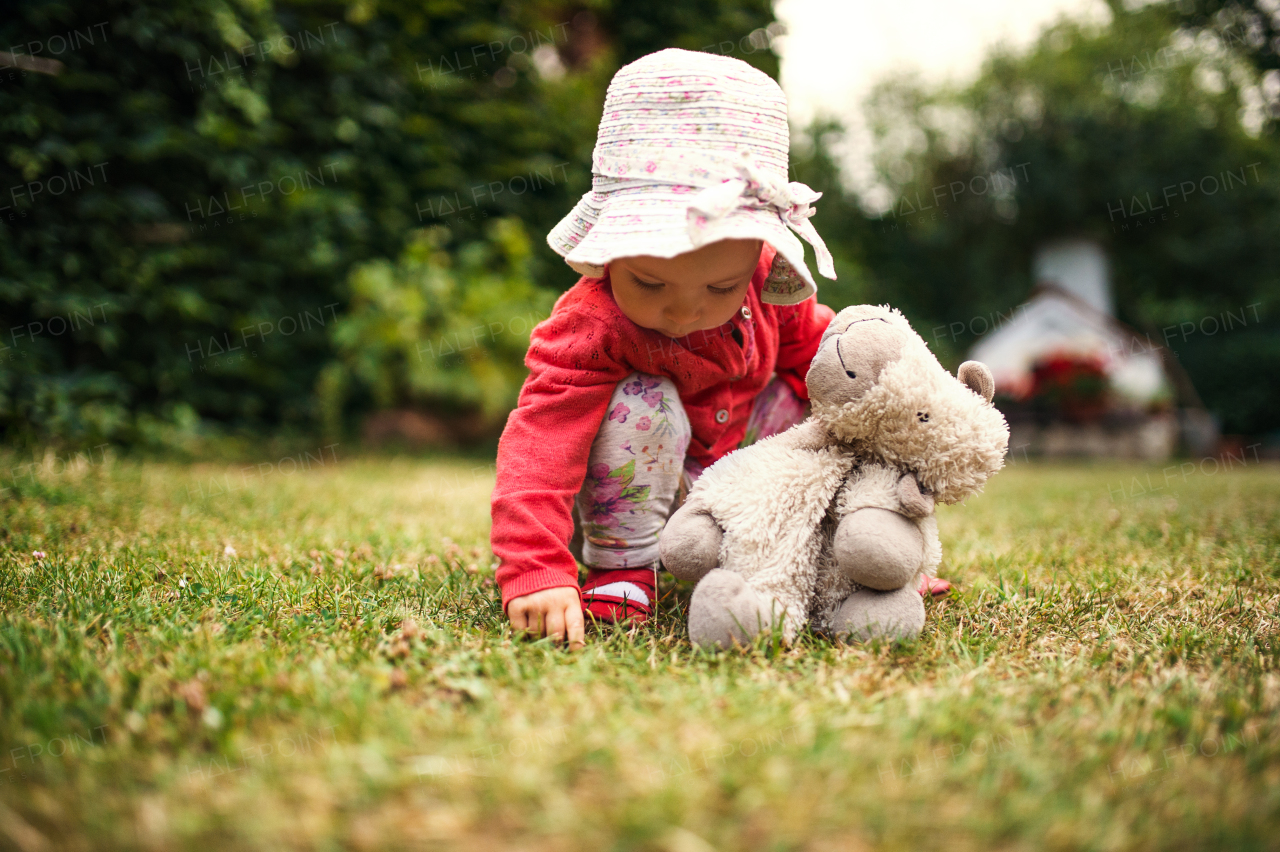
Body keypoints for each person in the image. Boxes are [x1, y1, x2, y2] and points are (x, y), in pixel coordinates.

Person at [489, 48, 948, 648]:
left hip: (739, 480)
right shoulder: (592, 324)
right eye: (650, 284)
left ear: (758, 258)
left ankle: (841, 551)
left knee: (821, 401)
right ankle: (624, 566)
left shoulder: (768, 290)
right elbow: (541, 443)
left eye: (720, 287)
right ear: (610, 252)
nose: (683, 312)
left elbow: (841, 372)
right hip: (639, 491)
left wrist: (891, 499)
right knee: (640, 400)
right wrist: (534, 569)